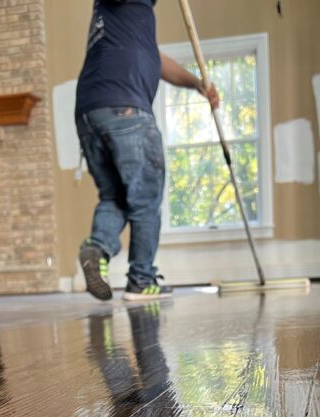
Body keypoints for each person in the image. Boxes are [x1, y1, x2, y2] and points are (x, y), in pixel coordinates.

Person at [75, 0, 220, 302]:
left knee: (114, 196)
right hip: (126, 110)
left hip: (89, 113)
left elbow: (157, 60)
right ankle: (141, 279)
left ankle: (97, 247)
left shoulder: (128, 20)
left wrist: (197, 84)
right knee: (145, 201)